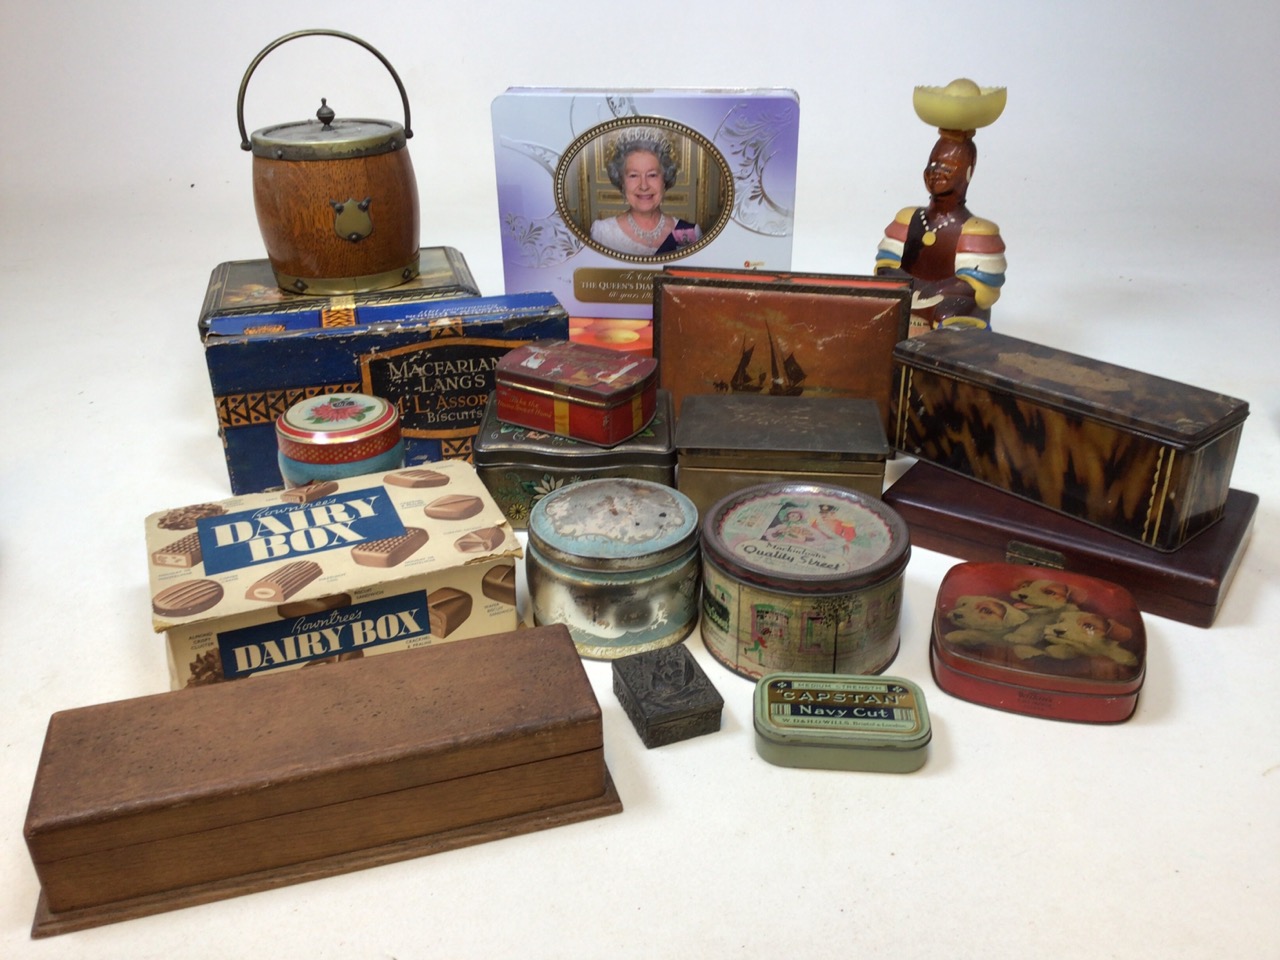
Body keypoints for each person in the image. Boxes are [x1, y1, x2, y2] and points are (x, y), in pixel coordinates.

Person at [875, 79, 1007, 334]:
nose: (936, 173)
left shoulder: (977, 232)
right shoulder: (907, 218)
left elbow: (979, 290)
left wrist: (928, 293)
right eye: (932, 164)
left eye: (948, 168)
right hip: (907, 298)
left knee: (950, 315)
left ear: (968, 172)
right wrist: (910, 290)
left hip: (943, 306)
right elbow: (885, 269)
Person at [590, 133, 702, 256]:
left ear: (664, 180)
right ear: (622, 183)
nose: (644, 186)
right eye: (633, 175)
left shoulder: (688, 232)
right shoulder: (602, 234)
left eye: (652, 175)